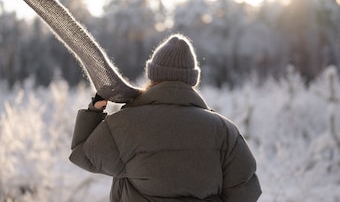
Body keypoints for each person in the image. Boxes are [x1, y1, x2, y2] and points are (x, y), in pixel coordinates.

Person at [69, 33, 262, 202]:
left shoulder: (125, 123)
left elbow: (82, 153)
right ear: (192, 80)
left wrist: (98, 105)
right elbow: (246, 190)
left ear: (152, 76)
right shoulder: (224, 131)